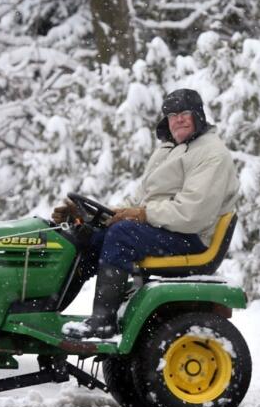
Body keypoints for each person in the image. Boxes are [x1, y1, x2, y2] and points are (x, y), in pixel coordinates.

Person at [58, 88, 239, 339]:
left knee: (121, 235)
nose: (178, 119)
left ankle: (103, 322)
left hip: (193, 238)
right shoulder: (170, 149)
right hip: (170, 230)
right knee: (89, 239)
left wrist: (140, 215)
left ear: (198, 115)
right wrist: (104, 216)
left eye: (185, 113)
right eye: (172, 115)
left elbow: (191, 213)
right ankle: (46, 313)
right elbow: (143, 199)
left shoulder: (211, 154)